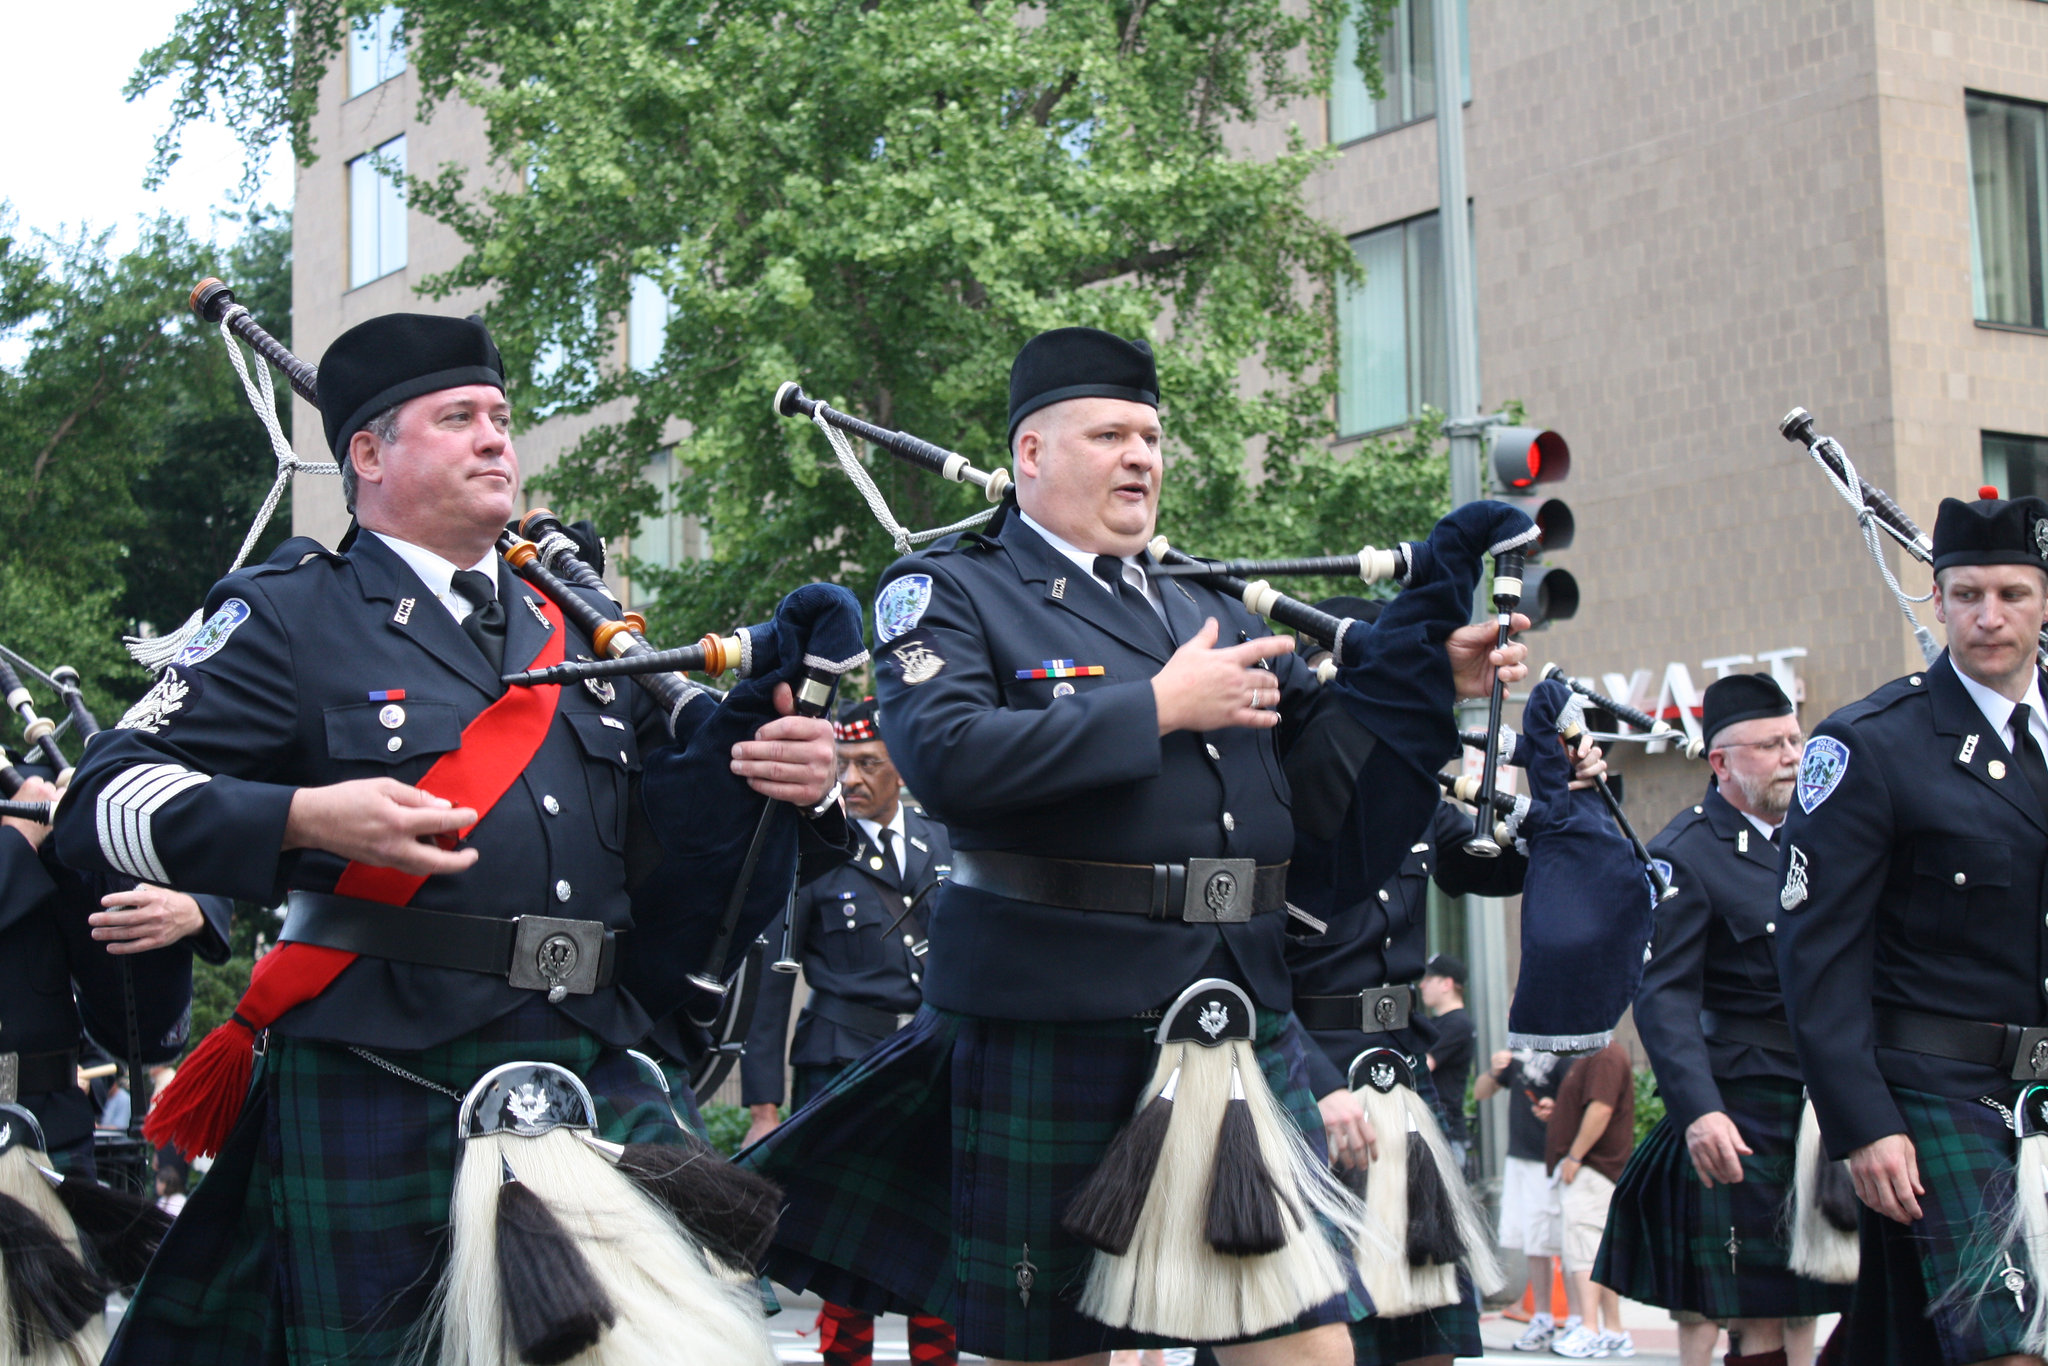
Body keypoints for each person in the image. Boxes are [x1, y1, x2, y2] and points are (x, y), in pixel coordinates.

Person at [53, 310, 848, 1364]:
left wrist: (804, 777)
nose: (496, 441)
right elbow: (99, 801)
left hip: (592, 1057)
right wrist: (300, 817)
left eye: (503, 418)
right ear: (369, 457)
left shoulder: (580, 627)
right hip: (383, 1065)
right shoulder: (289, 615)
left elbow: (696, 819)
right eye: (458, 417)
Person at [741, 325, 1537, 1365]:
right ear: (1029, 454)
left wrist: (1430, 675)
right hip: (1051, 1017)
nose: (1141, 457)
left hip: (1226, 1020)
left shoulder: (1199, 598)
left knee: (1308, 1348)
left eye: (1152, 437)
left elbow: (1323, 775)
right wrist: (1154, 707)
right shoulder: (947, 589)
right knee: (1060, 1351)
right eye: (1111, 433)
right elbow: (943, 757)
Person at [1775, 490, 2048, 1366]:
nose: (1989, 616)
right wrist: (1861, 1123)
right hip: (1938, 1095)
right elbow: (1817, 957)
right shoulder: (1871, 745)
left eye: (2013, 594)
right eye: (1966, 594)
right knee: (2009, 1344)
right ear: (1937, 599)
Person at [1595, 674, 1851, 1366]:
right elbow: (1664, 996)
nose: (1792, 755)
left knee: (1841, 1300)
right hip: (1748, 1102)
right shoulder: (1685, 854)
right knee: (1764, 1314)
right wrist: (1700, 1112)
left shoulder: (1828, 836)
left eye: (1795, 737)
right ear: (1721, 762)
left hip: (1833, 1096)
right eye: (1769, 745)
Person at [742, 694, 959, 1366]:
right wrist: (762, 1105)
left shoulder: (945, 844)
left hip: (930, 1066)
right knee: (844, 1239)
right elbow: (773, 986)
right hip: (840, 1063)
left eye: (868, 763)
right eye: (842, 765)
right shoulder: (811, 852)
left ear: (901, 767)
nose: (853, 779)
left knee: (934, 1234)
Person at [1544, 1040, 1636, 1359]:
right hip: (1596, 1168)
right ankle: (1612, 1330)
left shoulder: (1605, 1053)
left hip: (1593, 1167)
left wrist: (1575, 1155)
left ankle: (1590, 1328)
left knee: (1583, 1249)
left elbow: (1601, 1107)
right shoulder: (1598, 1054)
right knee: (1598, 1251)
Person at [1475, 1048, 1569, 1351]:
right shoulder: (1519, 1053)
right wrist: (1493, 1071)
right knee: (1532, 1240)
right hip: (1520, 1156)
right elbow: (1480, 1091)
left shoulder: (1566, 1051)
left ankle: (1579, 1319)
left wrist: (1555, 1107)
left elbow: (1578, 1103)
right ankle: (1541, 1316)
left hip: (1551, 1158)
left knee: (1559, 1240)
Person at [1420, 953, 1477, 1161]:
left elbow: (1424, 1065)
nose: (1422, 986)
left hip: (1446, 1133)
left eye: (1428, 980)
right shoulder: (1438, 1022)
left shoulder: (1457, 1024)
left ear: (1446, 984)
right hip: (1435, 1130)